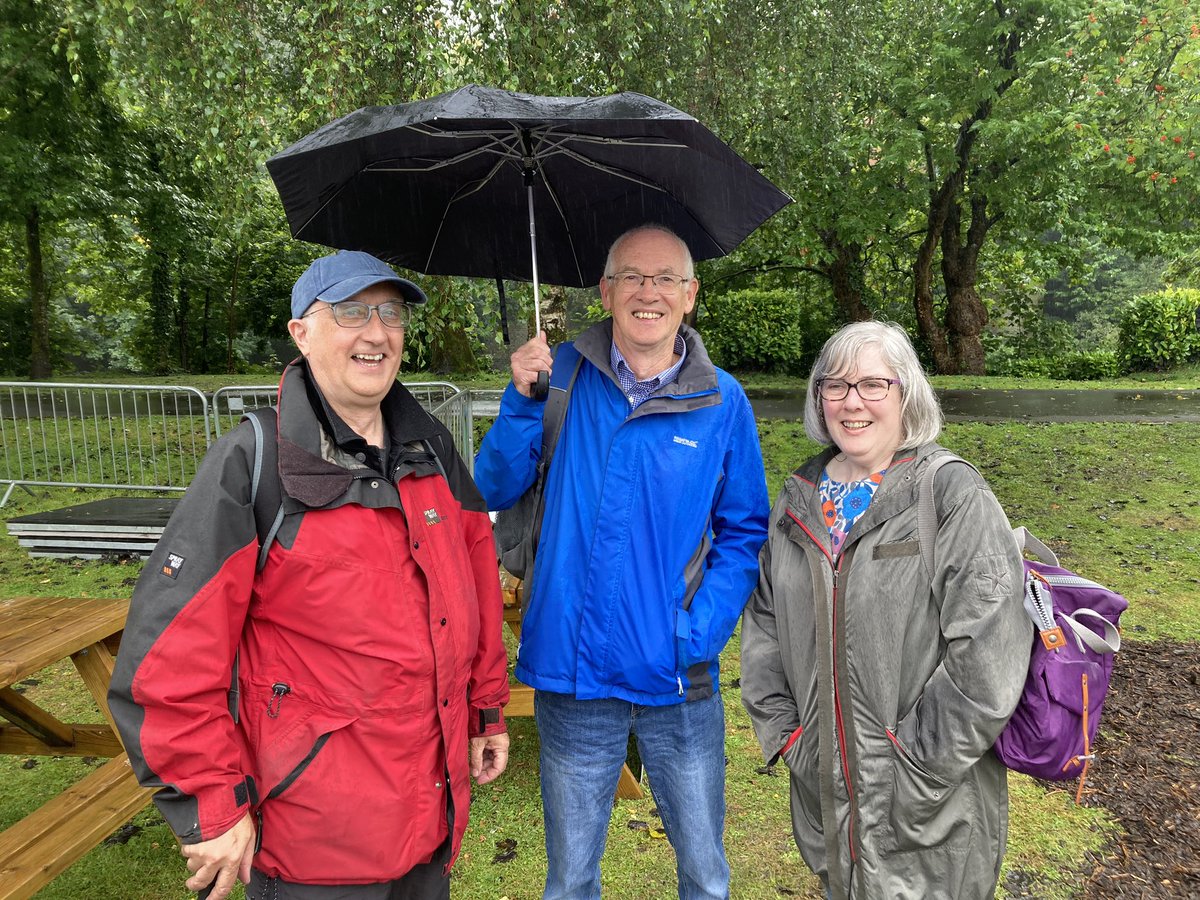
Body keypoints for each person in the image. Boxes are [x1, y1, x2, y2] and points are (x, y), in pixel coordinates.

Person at [109, 250, 510, 900]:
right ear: (302, 331)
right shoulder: (256, 463)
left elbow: (476, 590)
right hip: (315, 839)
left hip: (430, 818)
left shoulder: (430, 449)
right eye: (352, 311)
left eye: (391, 313)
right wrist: (213, 803)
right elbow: (167, 662)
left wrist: (485, 709)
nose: (376, 332)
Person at [474, 224, 769, 900]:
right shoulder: (558, 380)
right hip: (572, 674)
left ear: (690, 295)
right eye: (632, 276)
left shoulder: (723, 401)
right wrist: (520, 401)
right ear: (605, 292)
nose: (648, 291)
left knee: (703, 872)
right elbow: (491, 488)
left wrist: (698, 633)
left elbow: (744, 527)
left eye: (666, 278)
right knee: (571, 878)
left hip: (677, 674)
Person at [739, 320, 1032, 899]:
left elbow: (990, 652)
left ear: (906, 395)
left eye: (873, 384)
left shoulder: (950, 493)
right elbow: (765, 628)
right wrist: (789, 736)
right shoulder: (799, 499)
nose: (853, 403)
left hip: (930, 799)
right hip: (826, 786)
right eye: (836, 385)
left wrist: (917, 765)